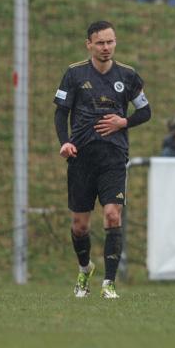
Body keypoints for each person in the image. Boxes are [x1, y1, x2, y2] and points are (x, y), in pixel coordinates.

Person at [54, 20, 152, 299]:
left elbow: (145, 111)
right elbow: (61, 113)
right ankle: (85, 269)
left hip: (114, 157)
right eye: (100, 43)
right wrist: (65, 142)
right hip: (81, 157)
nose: (106, 47)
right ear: (89, 45)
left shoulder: (128, 75)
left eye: (110, 42)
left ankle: (109, 283)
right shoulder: (74, 74)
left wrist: (124, 121)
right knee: (80, 225)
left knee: (112, 215)